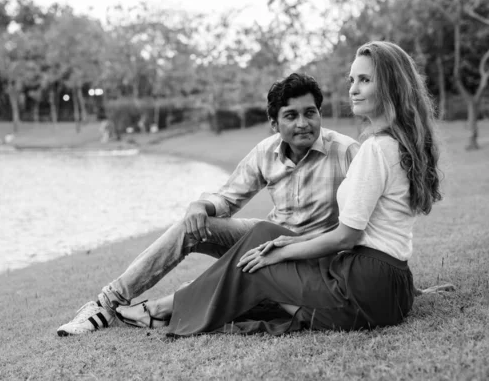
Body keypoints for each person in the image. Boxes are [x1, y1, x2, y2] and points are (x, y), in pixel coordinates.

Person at [115, 40, 443, 336]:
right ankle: (162, 307)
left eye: (365, 80)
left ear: (390, 85)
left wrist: (281, 251)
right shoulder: (398, 144)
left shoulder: (371, 149)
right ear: (276, 124)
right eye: (352, 80)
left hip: (364, 288)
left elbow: (348, 237)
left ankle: (159, 310)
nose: (353, 90)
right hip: (389, 284)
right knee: (261, 238)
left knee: (258, 254)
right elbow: (389, 230)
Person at [57, 73, 360, 336]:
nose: (303, 123)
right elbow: (228, 197)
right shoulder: (266, 152)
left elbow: (366, 220)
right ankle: (106, 304)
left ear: (320, 113)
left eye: (310, 113)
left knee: (242, 279)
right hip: (266, 238)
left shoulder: (346, 151)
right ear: (274, 123)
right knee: (192, 226)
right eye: (291, 116)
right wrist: (200, 207)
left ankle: (161, 308)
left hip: (312, 254)